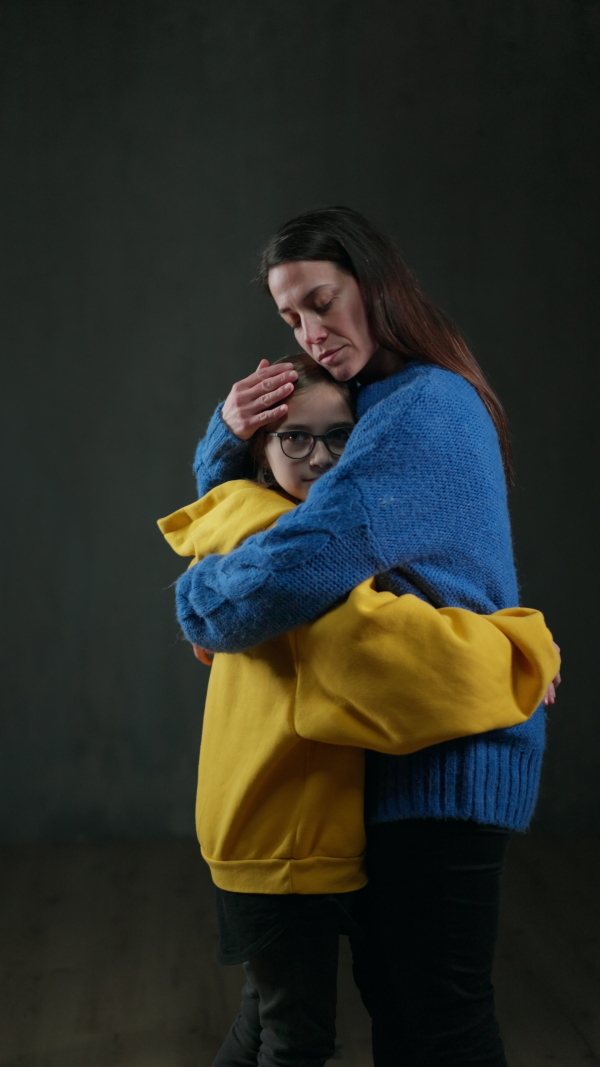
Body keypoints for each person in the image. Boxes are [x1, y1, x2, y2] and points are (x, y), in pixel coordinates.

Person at [173, 208, 561, 1066]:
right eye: (291, 318)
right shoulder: (367, 402)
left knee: (438, 1025)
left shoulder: (421, 406)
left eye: (324, 301)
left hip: (448, 749)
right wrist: (225, 440)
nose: (313, 333)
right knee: (404, 1014)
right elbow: (262, 509)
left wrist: (197, 605)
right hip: (390, 735)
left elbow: (298, 558)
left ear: (376, 286)